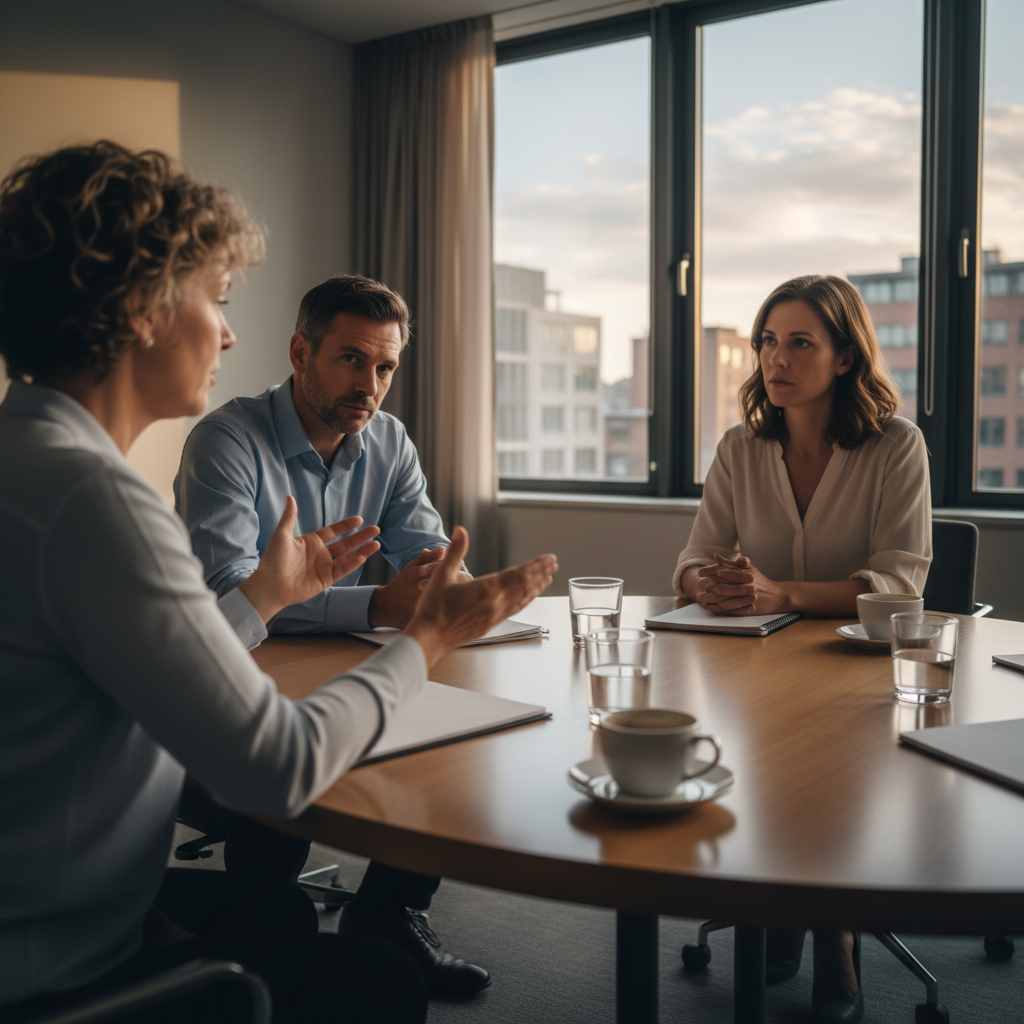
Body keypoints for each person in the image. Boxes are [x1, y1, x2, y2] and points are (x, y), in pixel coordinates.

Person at [0, 140, 558, 1024]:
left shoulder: (31, 459)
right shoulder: (93, 503)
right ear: (139, 307)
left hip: (54, 901)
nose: (227, 332)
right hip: (59, 964)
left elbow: (155, 654)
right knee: (380, 984)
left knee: (281, 909)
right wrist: (424, 640)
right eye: (216, 301)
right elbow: (278, 770)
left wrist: (265, 595)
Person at [174, 275, 488, 994]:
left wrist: (448, 586)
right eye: (351, 359)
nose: (369, 385)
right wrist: (377, 605)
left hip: (329, 660)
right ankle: (265, 935)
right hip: (232, 672)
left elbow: (426, 557)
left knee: (445, 734)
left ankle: (387, 913)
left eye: (384, 367)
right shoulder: (226, 441)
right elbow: (234, 592)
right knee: (279, 771)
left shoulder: (388, 440)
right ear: (299, 351)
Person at [674, 274, 931, 1024]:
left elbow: (901, 583)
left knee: (825, 766)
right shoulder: (741, 446)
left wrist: (782, 591)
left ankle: (832, 928)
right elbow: (692, 556)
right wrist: (710, 583)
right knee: (755, 753)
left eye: (799, 343)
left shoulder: (896, 446)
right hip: (755, 662)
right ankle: (785, 905)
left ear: (846, 358)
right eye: (766, 342)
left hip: (862, 670)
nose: (774, 360)